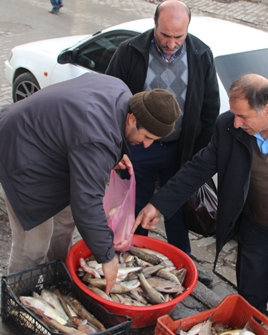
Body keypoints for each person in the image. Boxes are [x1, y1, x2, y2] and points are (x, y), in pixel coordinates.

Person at [134, 73, 268, 334]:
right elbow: (198, 168)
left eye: (244, 116)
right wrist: (157, 205)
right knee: (249, 299)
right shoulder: (228, 127)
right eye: (234, 114)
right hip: (256, 228)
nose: (236, 123)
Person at [0, 72, 181, 294]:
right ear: (132, 119)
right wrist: (107, 258)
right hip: (20, 150)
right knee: (34, 243)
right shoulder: (97, 138)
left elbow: (89, 133)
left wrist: (116, 152)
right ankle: (19, 299)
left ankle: (57, 278)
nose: (147, 145)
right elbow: (87, 204)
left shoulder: (121, 91)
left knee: (65, 222)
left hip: (52, 148)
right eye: (147, 137)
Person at [105, 0, 220, 284]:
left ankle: (184, 266)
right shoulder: (130, 51)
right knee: (137, 205)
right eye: (164, 35)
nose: (170, 43)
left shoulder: (201, 55)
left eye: (178, 37)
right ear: (154, 24)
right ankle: (134, 260)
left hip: (179, 151)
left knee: (177, 207)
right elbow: (109, 96)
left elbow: (209, 108)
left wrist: (197, 154)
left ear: (188, 30)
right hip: (137, 149)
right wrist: (120, 147)